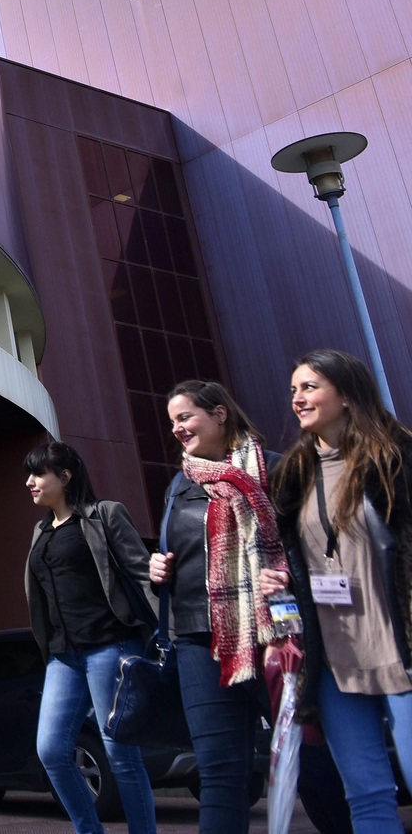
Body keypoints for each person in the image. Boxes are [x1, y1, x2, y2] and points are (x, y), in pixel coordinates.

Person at [268, 350, 412, 834]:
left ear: (347, 394)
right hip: (333, 659)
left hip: (400, 648)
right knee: (366, 796)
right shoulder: (293, 475)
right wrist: (281, 576)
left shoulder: (396, 458)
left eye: (309, 387)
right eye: (293, 391)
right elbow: (293, 556)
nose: (297, 399)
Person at [149, 380, 288, 834]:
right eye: (172, 421)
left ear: (219, 414)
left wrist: (290, 579)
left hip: (272, 634)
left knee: (312, 757)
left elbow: (307, 550)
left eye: (185, 416)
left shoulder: (273, 470)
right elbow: (181, 550)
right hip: (197, 640)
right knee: (220, 774)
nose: (177, 428)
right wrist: (158, 566)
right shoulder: (179, 483)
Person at [23, 442, 157, 834]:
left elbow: (141, 572)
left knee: (121, 756)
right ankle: (89, 829)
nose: (29, 482)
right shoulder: (41, 530)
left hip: (110, 647)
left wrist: (173, 629)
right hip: (63, 656)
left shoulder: (104, 516)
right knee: (50, 750)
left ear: (65, 478)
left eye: (38, 474)